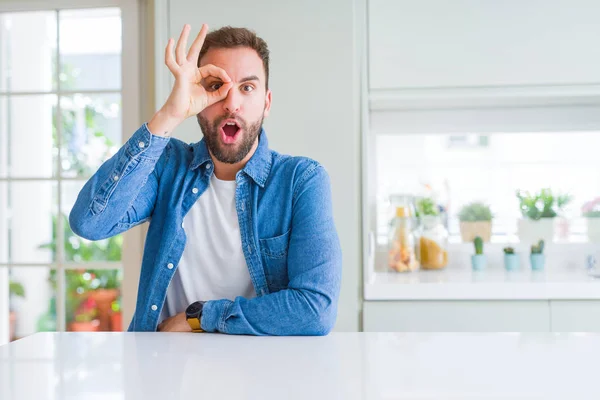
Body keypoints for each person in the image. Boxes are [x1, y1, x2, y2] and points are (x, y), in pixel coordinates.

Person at [69, 24, 342, 335]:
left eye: (247, 88)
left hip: (261, 375)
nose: (231, 103)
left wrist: (197, 318)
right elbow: (90, 222)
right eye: (216, 86)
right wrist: (169, 115)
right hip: (161, 369)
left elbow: (316, 310)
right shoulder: (168, 165)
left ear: (266, 103)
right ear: (197, 99)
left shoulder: (301, 181)